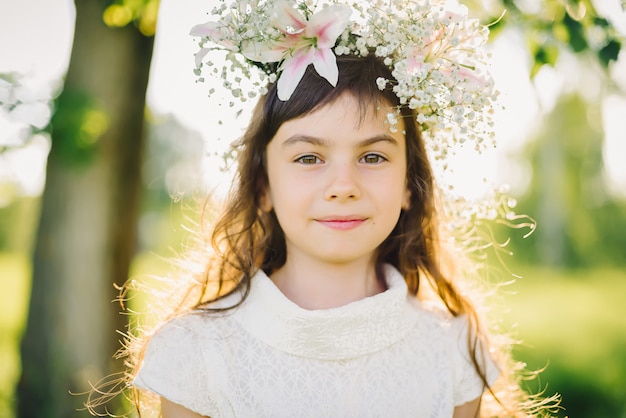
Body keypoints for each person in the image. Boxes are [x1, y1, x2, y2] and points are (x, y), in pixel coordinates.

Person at [91, 1, 559, 417]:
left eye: (372, 156)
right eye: (309, 158)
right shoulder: (198, 353)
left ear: (409, 187)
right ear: (262, 187)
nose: (343, 186)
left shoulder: (452, 350)